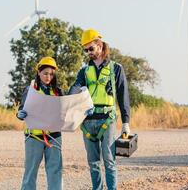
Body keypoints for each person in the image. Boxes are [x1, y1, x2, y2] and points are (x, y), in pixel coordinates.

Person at [69, 29, 131, 190]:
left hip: (107, 119)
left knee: (109, 160)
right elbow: (75, 88)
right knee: (93, 162)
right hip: (88, 121)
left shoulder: (116, 68)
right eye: (86, 50)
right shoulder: (84, 71)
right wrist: (70, 93)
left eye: (91, 48)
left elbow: (123, 96)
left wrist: (126, 122)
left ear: (100, 45)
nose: (88, 52)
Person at [16, 56, 63, 190]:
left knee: (55, 171)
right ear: (38, 72)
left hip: (54, 137)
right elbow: (22, 109)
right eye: (45, 73)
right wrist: (20, 114)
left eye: (51, 74)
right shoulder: (30, 89)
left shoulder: (58, 91)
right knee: (31, 172)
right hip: (34, 137)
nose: (48, 77)